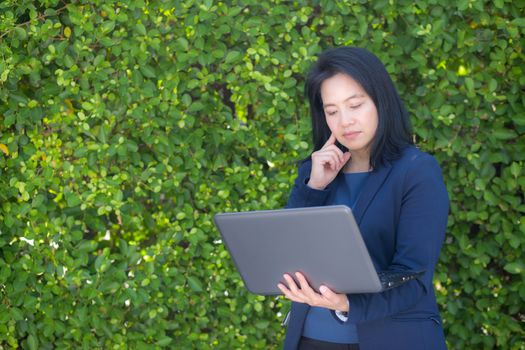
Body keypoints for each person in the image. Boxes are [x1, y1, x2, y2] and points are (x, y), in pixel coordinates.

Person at [277, 47, 449, 350]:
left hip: (391, 340)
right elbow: (290, 251)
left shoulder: (416, 171)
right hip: (310, 339)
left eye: (355, 105)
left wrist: (347, 304)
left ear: (381, 101)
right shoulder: (315, 169)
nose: (345, 121)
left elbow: (414, 277)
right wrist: (314, 186)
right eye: (332, 111)